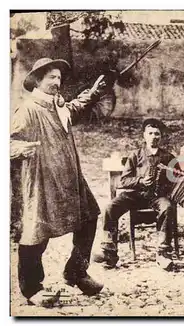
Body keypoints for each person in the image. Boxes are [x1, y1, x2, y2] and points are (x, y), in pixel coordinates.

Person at [10, 58, 107, 307]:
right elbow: (7, 142)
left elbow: (76, 106)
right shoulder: (28, 109)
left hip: (70, 177)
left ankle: (76, 272)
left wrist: (96, 91)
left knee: (89, 216)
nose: (57, 82)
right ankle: (31, 288)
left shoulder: (58, 106)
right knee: (36, 232)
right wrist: (21, 149)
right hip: (42, 180)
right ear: (38, 80)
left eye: (59, 77)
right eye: (51, 77)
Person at [93, 118, 179, 271]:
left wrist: (164, 184)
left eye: (157, 134)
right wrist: (140, 181)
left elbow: (176, 182)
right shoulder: (135, 155)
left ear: (161, 137)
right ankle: (109, 252)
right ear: (144, 136)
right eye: (150, 133)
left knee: (167, 207)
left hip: (156, 197)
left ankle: (163, 254)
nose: (154, 137)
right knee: (109, 208)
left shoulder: (169, 157)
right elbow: (123, 181)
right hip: (135, 195)